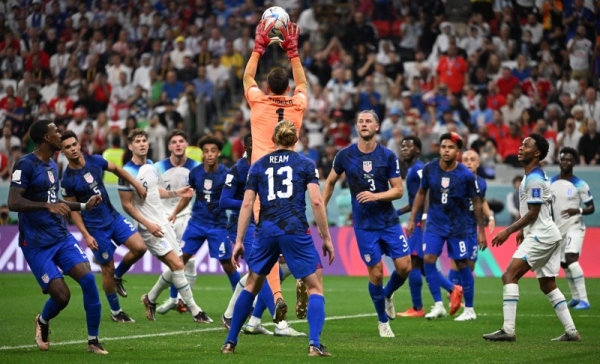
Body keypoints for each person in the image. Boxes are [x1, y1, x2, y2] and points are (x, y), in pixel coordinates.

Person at [221, 120, 334, 356]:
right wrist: (326, 237)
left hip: (265, 232)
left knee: (252, 284)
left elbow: (247, 204)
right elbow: (315, 201)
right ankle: (314, 344)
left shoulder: (258, 165)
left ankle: (230, 343)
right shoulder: (305, 164)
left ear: (273, 140)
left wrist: (240, 241)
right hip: (294, 229)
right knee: (314, 287)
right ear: (295, 139)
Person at [8, 119, 107, 354]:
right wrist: (46, 206)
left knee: (89, 280)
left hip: (60, 236)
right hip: (36, 243)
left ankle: (93, 341)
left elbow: (56, 202)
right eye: (55, 131)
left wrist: (83, 206)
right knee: (62, 296)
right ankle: (42, 320)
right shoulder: (25, 165)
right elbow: (13, 202)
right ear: (45, 138)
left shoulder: (53, 165)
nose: (59, 134)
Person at [322, 110, 411, 337]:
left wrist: (376, 196)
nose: (364, 124)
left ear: (377, 127)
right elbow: (330, 182)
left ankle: (389, 294)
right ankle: (382, 321)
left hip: (389, 222)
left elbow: (399, 190)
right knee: (377, 273)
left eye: (368, 121)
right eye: (360, 121)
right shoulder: (344, 155)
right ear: (356, 127)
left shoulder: (388, 156)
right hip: (364, 225)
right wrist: (320, 208)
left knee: (405, 267)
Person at [484, 134, 581, 342]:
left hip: (541, 235)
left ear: (537, 153)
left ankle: (508, 330)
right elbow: (539, 209)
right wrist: (522, 230)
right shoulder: (534, 175)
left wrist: (508, 230)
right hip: (546, 233)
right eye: (521, 144)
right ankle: (571, 332)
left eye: (526, 145)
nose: (520, 148)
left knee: (509, 275)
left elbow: (534, 212)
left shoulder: (534, 178)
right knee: (547, 283)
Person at [243, 19, 307, 322]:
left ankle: (277, 297)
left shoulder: (257, 101)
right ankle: (305, 276)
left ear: (268, 87)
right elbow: (304, 85)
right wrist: (293, 53)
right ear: (288, 87)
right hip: (292, 179)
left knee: (264, 249)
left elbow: (246, 78)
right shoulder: (297, 104)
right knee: (294, 235)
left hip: (263, 180)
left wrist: (258, 48)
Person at [118, 129, 211, 323]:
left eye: (144, 140)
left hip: (163, 221)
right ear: (130, 146)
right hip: (149, 227)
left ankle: (150, 299)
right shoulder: (127, 172)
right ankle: (196, 312)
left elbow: (155, 192)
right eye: (137, 141)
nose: (142, 144)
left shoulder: (151, 166)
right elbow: (126, 204)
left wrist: (177, 193)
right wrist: (147, 224)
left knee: (179, 263)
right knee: (178, 265)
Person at [219, 134, 304, 337]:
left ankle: (250, 320)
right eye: (251, 144)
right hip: (244, 225)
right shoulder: (239, 169)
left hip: (266, 224)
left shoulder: (268, 165)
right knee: (261, 271)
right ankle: (280, 323)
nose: (255, 147)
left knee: (278, 269)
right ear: (246, 146)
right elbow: (224, 201)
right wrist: (251, 205)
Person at [60, 130, 148, 323]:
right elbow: (74, 210)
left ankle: (118, 276)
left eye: (74, 144)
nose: (73, 149)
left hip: (113, 217)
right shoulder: (67, 179)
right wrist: (86, 235)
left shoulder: (95, 160)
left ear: (79, 144)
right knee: (106, 267)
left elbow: (117, 169)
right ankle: (116, 312)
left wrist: (136, 185)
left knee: (140, 247)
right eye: (67, 147)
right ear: (62, 151)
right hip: (95, 229)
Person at [406, 132, 488, 320]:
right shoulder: (429, 169)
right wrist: (412, 219)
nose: (446, 150)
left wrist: (480, 231)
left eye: (450, 147)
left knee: (463, 264)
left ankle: (469, 310)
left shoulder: (466, 175)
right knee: (428, 260)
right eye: (443, 147)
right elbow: (420, 194)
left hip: (457, 227)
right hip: (434, 224)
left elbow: (477, 203)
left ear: (457, 151)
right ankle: (438, 305)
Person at [395, 136, 463, 318]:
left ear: (418, 150)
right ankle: (452, 289)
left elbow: (428, 192)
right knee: (425, 266)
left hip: (421, 222)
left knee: (414, 262)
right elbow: (414, 200)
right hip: (417, 218)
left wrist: (423, 217)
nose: (405, 149)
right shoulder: (412, 170)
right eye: (403, 146)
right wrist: (398, 212)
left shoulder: (418, 169)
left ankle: (417, 308)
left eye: (409, 146)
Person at [168, 135, 240, 296]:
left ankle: (241, 300)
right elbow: (187, 195)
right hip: (197, 223)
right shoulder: (195, 173)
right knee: (180, 260)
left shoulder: (227, 175)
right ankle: (173, 298)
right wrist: (175, 213)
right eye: (206, 151)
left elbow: (233, 198)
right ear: (202, 153)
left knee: (227, 264)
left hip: (218, 225)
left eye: (213, 151)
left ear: (219, 153)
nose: (209, 154)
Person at [153, 130, 200, 315]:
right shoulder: (158, 167)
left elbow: (193, 193)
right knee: (174, 262)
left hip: (186, 217)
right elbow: (153, 192)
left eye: (181, 141)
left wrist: (176, 211)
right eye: (174, 142)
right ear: (169, 146)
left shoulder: (196, 167)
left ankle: (180, 300)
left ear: (186, 144)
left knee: (189, 262)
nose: (178, 144)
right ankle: (174, 299)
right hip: (164, 219)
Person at [446, 150, 495, 320]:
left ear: (478, 163)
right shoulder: (455, 179)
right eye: (465, 159)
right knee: (457, 265)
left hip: (472, 230)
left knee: (470, 266)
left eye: (472, 159)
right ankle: (459, 300)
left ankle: (456, 294)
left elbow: (482, 201)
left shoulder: (481, 183)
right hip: (456, 229)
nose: (468, 162)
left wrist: (490, 217)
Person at [550, 147, 595, 310]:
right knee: (564, 264)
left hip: (574, 226)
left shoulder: (580, 184)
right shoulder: (551, 182)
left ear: (574, 162)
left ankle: (584, 300)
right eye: (563, 159)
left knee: (571, 259)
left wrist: (579, 210)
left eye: (569, 159)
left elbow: (591, 207)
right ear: (559, 161)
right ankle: (575, 297)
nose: (565, 162)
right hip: (558, 228)